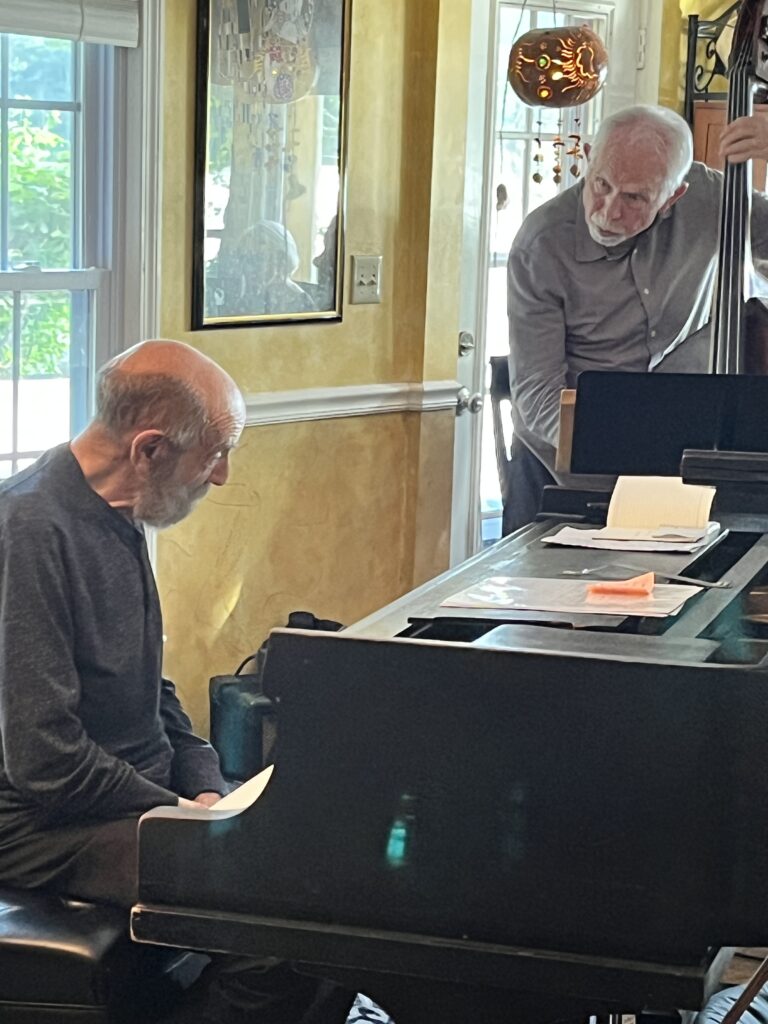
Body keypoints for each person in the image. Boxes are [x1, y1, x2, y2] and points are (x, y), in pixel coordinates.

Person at [0, 339, 390, 1023]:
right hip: (44, 824)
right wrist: (186, 816)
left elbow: (154, 690)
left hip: (131, 798)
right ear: (149, 449)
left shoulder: (119, 513)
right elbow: (46, 761)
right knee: (281, 920)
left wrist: (205, 779)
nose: (221, 477)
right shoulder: (29, 532)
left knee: (338, 874)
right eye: (215, 454)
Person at [504, 104, 768, 534]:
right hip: (562, 472)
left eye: (634, 198)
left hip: (681, 470)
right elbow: (537, 395)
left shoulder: (712, 197)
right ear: (589, 156)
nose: (607, 212)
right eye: (601, 184)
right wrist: (635, 447)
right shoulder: (541, 245)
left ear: (674, 196)